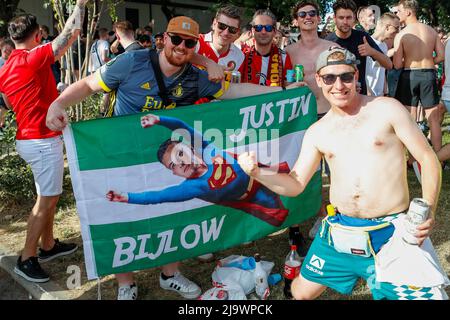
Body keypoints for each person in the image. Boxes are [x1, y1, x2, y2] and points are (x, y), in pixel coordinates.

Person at [45, 16, 303, 300]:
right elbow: (89, 85)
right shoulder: (132, 62)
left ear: (195, 46)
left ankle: (170, 274)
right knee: (127, 217)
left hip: (173, 157)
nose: (181, 46)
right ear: (164, 39)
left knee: (174, 213)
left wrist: (280, 91)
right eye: (176, 39)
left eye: (189, 42)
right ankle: (125, 283)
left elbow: (234, 91)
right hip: (127, 154)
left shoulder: (195, 76)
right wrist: (57, 104)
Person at [237, 47, 448, 300]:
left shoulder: (387, 109)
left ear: (356, 75)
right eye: (330, 78)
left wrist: (429, 209)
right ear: (319, 80)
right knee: (299, 293)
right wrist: (258, 172)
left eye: (346, 76)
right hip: (340, 231)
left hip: (389, 233)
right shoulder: (317, 131)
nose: (339, 85)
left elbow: (428, 158)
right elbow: (295, 183)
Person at [0, 1, 88, 283]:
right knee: (46, 200)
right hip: (42, 140)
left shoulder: (6, 68)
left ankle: (48, 245)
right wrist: (81, 5)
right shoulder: (32, 57)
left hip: (30, 139)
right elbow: (72, 33)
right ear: (37, 35)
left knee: (49, 196)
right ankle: (26, 258)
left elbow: (7, 104)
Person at [107, 113, 290, 226]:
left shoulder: (205, 148)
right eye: (173, 165)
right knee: (282, 215)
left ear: (190, 148)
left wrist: (159, 120)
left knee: (294, 187)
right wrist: (127, 197)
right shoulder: (192, 187)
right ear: (175, 173)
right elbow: (157, 196)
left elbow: (180, 126)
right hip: (257, 198)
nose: (179, 163)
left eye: (179, 154)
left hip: (264, 176)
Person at [285, 0, 337, 245]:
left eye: (313, 13)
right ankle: (316, 214)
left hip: (329, 115)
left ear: (318, 18)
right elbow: (282, 86)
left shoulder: (331, 47)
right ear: (296, 20)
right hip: (301, 120)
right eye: (302, 14)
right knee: (306, 171)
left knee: (335, 171)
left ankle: (334, 214)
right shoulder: (288, 52)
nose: (308, 17)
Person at [393, 0, 444, 153]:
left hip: (410, 75)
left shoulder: (402, 34)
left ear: (408, 12)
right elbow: (441, 56)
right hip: (429, 75)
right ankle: (438, 158)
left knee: (410, 119)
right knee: (433, 120)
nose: (397, 14)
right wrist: (428, 62)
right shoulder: (431, 31)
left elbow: (396, 65)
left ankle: (413, 157)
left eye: (399, 11)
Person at [326, 0, 392, 95]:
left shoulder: (362, 37)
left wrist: (372, 51)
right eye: (341, 18)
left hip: (360, 96)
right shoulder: (328, 41)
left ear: (354, 18)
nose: (345, 22)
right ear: (335, 18)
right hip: (337, 96)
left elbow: (388, 65)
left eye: (349, 17)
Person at [241, 9, 293, 86]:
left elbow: (289, 87)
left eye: (268, 28)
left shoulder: (284, 57)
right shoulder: (242, 54)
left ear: (274, 31)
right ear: (252, 31)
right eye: (258, 27)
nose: (263, 32)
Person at [196, 5, 245, 73]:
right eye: (221, 26)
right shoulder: (195, 42)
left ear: (238, 32)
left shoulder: (239, 56)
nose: (226, 33)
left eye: (232, 29)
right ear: (214, 24)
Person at [366, 13, 400, 96]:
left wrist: (385, 91)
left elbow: (381, 69)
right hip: (367, 96)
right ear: (387, 27)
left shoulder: (384, 46)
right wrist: (367, 91)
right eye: (396, 28)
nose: (398, 31)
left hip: (379, 95)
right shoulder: (366, 43)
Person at [0, 39, 14, 131]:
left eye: (10, 51)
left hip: (10, 92)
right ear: (1, 49)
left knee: (5, 111)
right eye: (5, 50)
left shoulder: (13, 63)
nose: (7, 52)